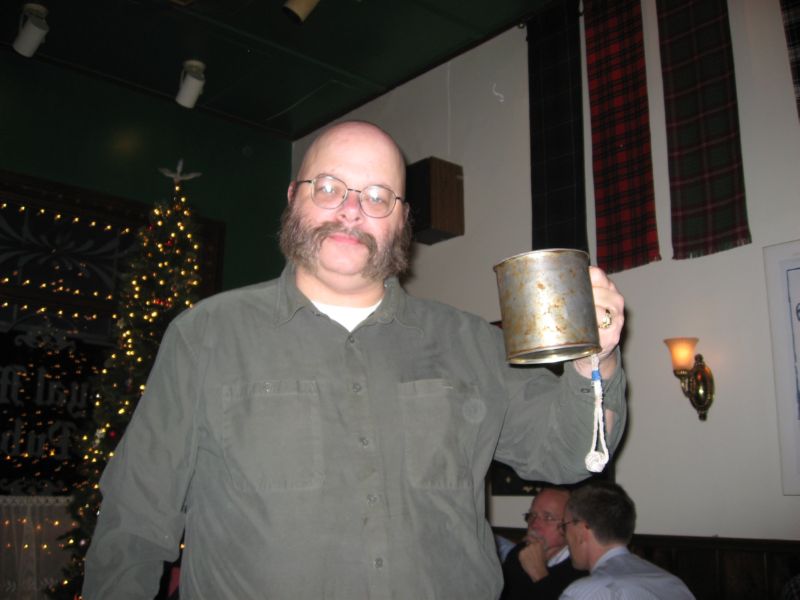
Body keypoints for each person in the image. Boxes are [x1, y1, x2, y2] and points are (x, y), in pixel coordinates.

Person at [82, 120, 628, 599]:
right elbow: (135, 519)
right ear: (293, 197)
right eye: (329, 188)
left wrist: (595, 360)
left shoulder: (471, 342)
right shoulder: (206, 335)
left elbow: (570, 455)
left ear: (402, 219)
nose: (350, 210)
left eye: (377, 196)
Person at [559, 481, 695, 600]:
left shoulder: (587, 593)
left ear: (581, 531)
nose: (564, 535)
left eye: (564, 526)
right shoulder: (673, 584)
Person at [500, 486, 587, 600]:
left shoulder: (581, 568)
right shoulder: (518, 554)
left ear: (569, 524)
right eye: (532, 515)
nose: (534, 524)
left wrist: (539, 575)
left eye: (548, 517)